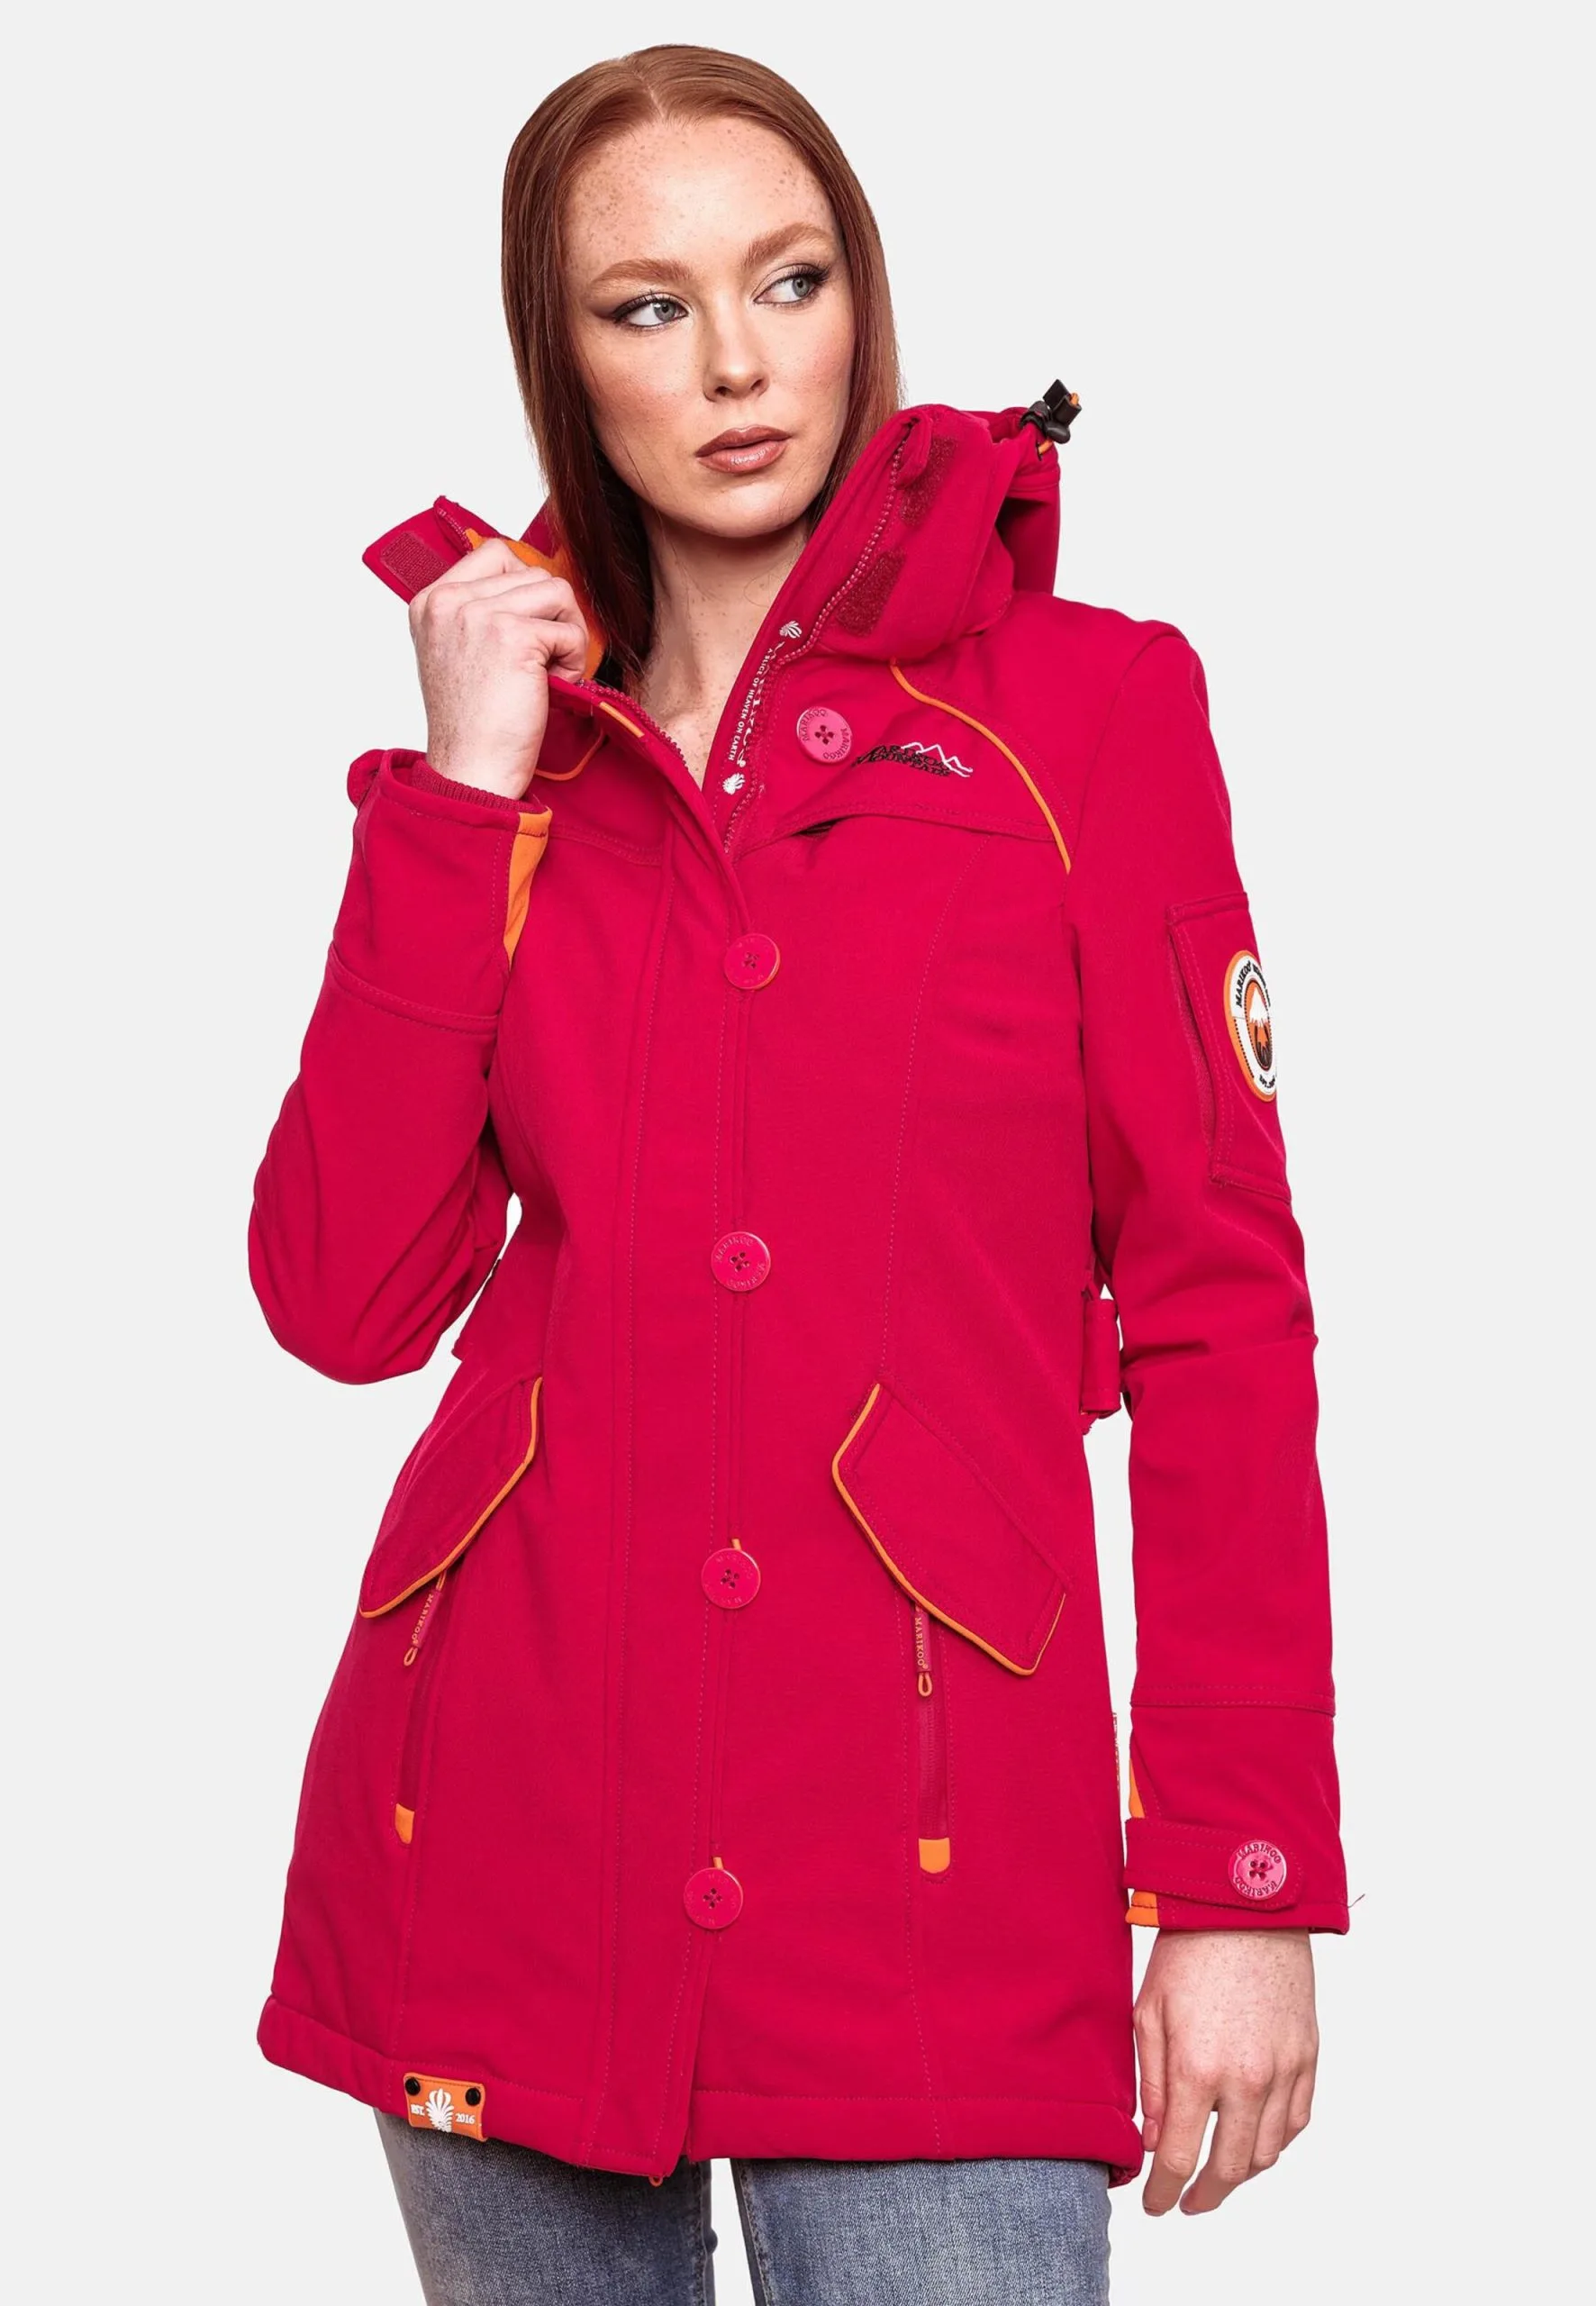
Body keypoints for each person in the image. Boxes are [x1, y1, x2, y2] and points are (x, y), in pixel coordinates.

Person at [249, 41, 1347, 2305]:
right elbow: (345, 1300)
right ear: (562, 356)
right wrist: (452, 802)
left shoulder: (1091, 712)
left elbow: (1223, 1308)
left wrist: (1237, 1878)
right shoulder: (512, 766)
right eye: (646, 307)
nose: (737, 365)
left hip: (935, 1867)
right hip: (504, 1841)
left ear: (864, 294)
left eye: (788, 279)